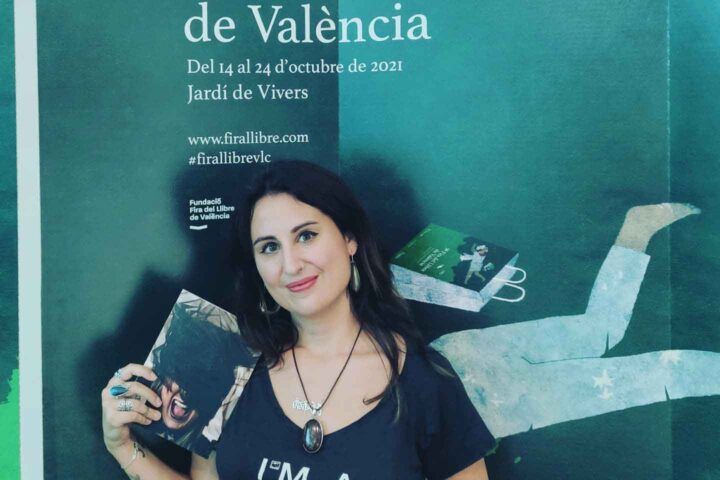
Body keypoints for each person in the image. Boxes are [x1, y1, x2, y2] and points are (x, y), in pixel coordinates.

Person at [101, 160, 496, 479]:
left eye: (306, 236)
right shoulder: (227, 365)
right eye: (269, 247)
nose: (290, 265)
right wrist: (122, 446)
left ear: (349, 239)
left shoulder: (425, 381)